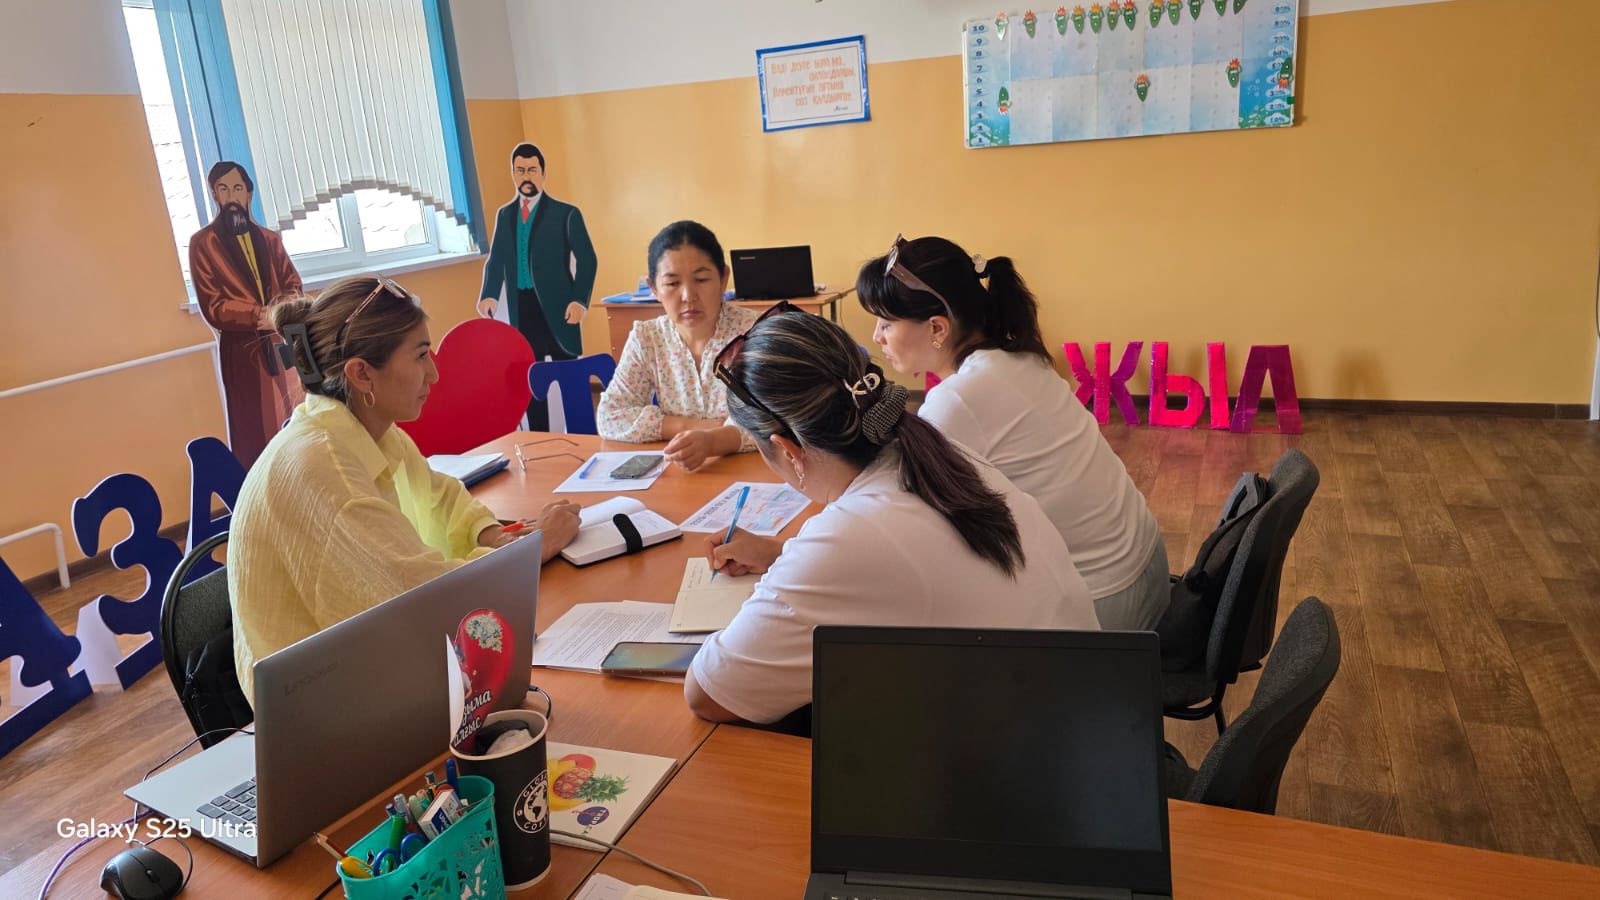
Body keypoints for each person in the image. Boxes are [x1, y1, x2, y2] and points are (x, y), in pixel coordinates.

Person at [684, 309, 1098, 725]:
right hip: (1077, 703)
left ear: (788, 452)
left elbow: (709, 693)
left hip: (1024, 743)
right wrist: (782, 555)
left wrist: (787, 576)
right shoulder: (933, 452)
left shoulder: (850, 533)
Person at [229, 275, 581, 704]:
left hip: (359, 677)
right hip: (321, 709)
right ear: (361, 374)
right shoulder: (325, 469)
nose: (433, 372)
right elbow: (423, 600)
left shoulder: (355, 428)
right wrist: (534, 547)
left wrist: (493, 535)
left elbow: (438, 494)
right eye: (419, 355)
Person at [857, 235, 1169, 631]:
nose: (876, 337)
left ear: (937, 327)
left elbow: (892, 516)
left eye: (886, 323)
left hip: (1106, 605)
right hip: (1148, 567)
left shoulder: (959, 400)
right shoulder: (1020, 358)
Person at [596, 221, 757, 471]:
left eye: (701, 279)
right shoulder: (647, 338)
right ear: (654, 288)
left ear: (723, 278)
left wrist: (715, 440)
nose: (688, 296)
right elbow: (610, 416)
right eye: (672, 284)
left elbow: (778, 419)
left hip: (753, 471)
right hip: (681, 472)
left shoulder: (755, 333)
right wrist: (688, 427)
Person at [189, 160, 304, 467]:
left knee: (296, 417)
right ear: (214, 194)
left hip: (281, 343)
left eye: (237, 188)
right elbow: (214, 305)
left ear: (248, 194)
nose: (231, 197)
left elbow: (293, 285)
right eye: (223, 189)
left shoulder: (270, 239)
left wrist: (282, 312)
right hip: (243, 352)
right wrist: (259, 315)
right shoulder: (203, 244)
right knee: (256, 432)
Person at [476, 142, 599, 430]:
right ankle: (539, 436)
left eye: (532, 170)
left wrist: (579, 300)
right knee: (533, 378)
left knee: (569, 376)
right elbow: (496, 259)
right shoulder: (505, 215)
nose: (526, 177)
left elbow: (587, 259)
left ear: (543, 173)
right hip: (522, 308)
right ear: (513, 174)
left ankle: (582, 435)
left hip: (559, 308)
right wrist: (489, 294)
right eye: (520, 171)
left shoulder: (565, 213)